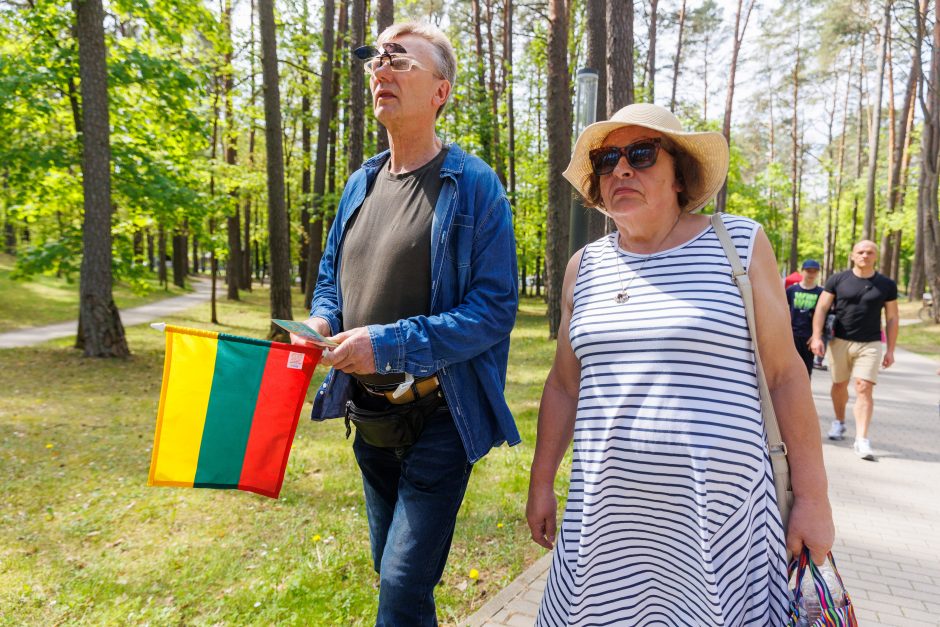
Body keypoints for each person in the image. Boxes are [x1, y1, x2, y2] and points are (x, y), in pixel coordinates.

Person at [525, 103, 834, 625]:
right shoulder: (585, 267)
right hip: (605, 517)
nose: (621, 169)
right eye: (607, 159)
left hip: (719, 524)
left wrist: (813, 499)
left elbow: (785, 375)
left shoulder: (738, 243)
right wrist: (540, 483)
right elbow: (563, 385)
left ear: (678, 174)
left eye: (641, 153)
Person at [292, 22, 519, 626]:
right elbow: (330, 279)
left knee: (398, 585)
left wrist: (388, 342)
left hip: (442, 415)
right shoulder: (359, 183)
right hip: (369, 416)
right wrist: (321, 320)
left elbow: (494, 310)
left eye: (399, 60)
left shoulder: (474, 186)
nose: (380, 70)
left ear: (440, 91)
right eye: (375, 60)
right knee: (395, 578)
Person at [810, 240, 898, 461]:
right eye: (860, 252)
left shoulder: (886, 285)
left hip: (870, 343)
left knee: (863, 387)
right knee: (839, 385)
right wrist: (817, 336)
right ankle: (839, 422)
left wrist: (891, 350)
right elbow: (821, 308)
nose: (865, 256)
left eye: (869, 253)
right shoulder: (838, 280)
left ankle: (861, 439)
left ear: (875, 257)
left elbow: (893, 317)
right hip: (839, 340)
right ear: (852, 255)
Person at [787, 259, 824, 377]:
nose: (811, 274)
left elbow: (824, 315)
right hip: (791, 335)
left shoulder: (821, 292)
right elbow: (783, 310)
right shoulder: (791, 290)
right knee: (789, 369)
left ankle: (804, 394)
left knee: (806, 371)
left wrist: (817, 336)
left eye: (814, 271)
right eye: (808, 271)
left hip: (809, 338)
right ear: (802, 271)